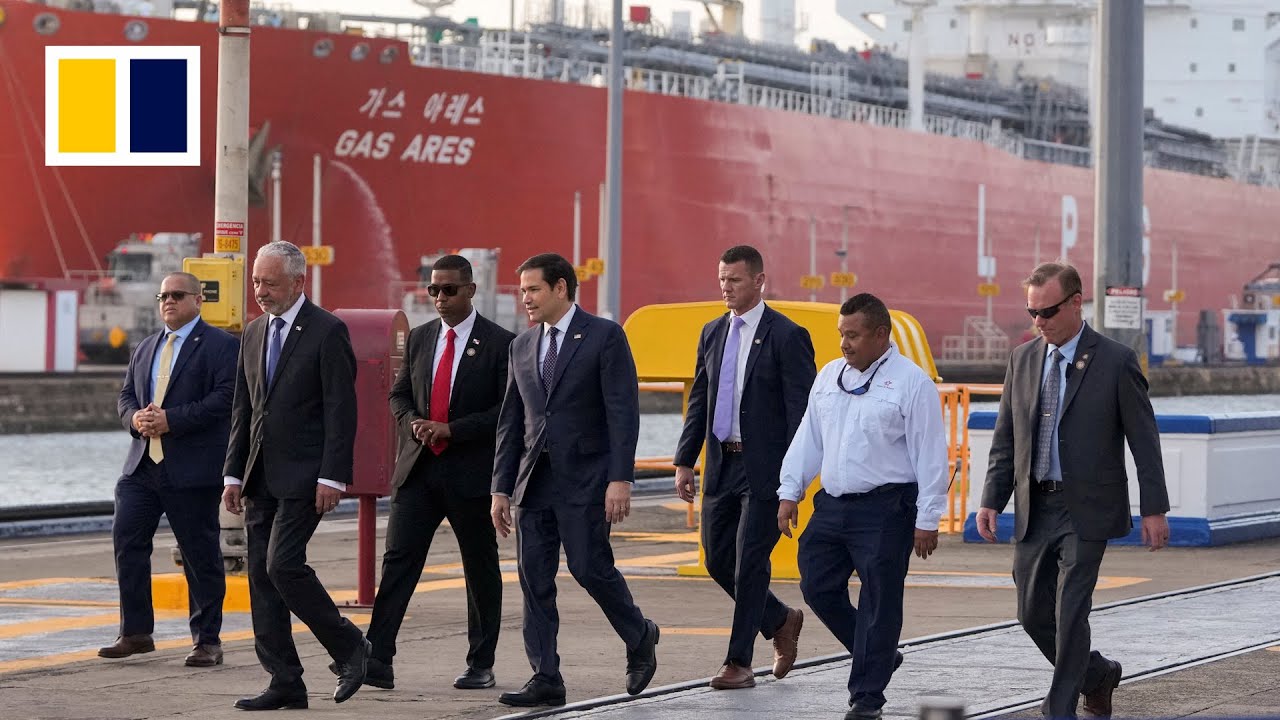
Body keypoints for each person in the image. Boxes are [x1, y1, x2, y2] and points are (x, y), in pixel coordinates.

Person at [977, 261, 1170, 720]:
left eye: (1047, 311)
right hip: (1034, 506)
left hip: (1087, 508)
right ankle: (1097, 674)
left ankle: (1058, 710)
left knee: (1070, 610)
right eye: (1032, 312)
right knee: (1031, 614)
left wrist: (1154, 508)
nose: (1038, 322)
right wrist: (990, 499)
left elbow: (1144, 440)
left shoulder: (1116, 360)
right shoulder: (1022, 359)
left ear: (1076, 302)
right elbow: (1006, 438)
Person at [491, 252, 659, 707]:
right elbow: (512, 422)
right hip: (533, 482)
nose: (525, 298)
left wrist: (620, 479)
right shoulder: (521, 346)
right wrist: (501, 488)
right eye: (522, 290)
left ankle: (640, 635)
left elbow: (623, 413)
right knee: (534, 580)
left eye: (533, 289)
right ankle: (545, 676)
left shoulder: (604, 336)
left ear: (561, 288)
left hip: (586, 479)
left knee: (589, 568)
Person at [777, 293, 950, 720]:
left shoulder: (912, 383)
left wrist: (928, 518)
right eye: (841, 334)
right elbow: (809, 438)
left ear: (880, 334)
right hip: (833, 505)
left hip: (887, 508)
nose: (844, 343)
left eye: (853, 335)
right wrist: (789, 490)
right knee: (816, 585)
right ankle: (879, 654)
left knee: (879, 601)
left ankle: (867, 698)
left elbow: (930, 454)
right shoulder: (828, 376)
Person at [222, 241, 370, 710]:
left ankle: (350, 646)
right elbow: (244, 408)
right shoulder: (253, 332)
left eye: (269, 283)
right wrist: (232, 473)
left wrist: (333, 476)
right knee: (261, 579)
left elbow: (341, 410)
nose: (260, 291)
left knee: (282, 565)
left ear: (298, 282)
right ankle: (284, 680)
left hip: (307, 475)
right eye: (256, 282)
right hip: (259, 474)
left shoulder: (327, 331)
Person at [361, 254, 514, 691]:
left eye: (449, 289)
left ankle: (481, 663)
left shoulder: (501, 343)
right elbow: (398, 394)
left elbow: (506, 410)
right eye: (433, 290)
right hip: (419, 470)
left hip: (470, 475)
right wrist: (413, 422)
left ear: (471, 290)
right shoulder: (421, 337)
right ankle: (377, 660)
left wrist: (453, 429)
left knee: (479, 569)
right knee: (398, 563)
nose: (440, 298)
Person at [672, 244, 815, 689]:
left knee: (750, 561)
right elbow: (700, 399)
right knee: (718, 560)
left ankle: (738, 662)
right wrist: (684, 460)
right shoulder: (712, 332)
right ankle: (780, 619)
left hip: (766, 470)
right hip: (721, 464)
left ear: (758, 281)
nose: (725, 287)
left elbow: (802, 416)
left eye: (734, 279)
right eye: (721, 279)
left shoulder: (787, 336)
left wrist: (794, 481)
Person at [101, 272, 238, 668]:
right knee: (127, 541)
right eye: (163, 296)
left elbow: (227, 398)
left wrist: (171, 420)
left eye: (177, 295)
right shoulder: (146, 347)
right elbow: (126, 396)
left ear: (198, 300)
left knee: (199, 553)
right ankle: (136, 632)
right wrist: (135, 419)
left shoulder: (221, 345)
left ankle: (207, 640)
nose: (168, 302)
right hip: (141, 466)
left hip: (192, 468)